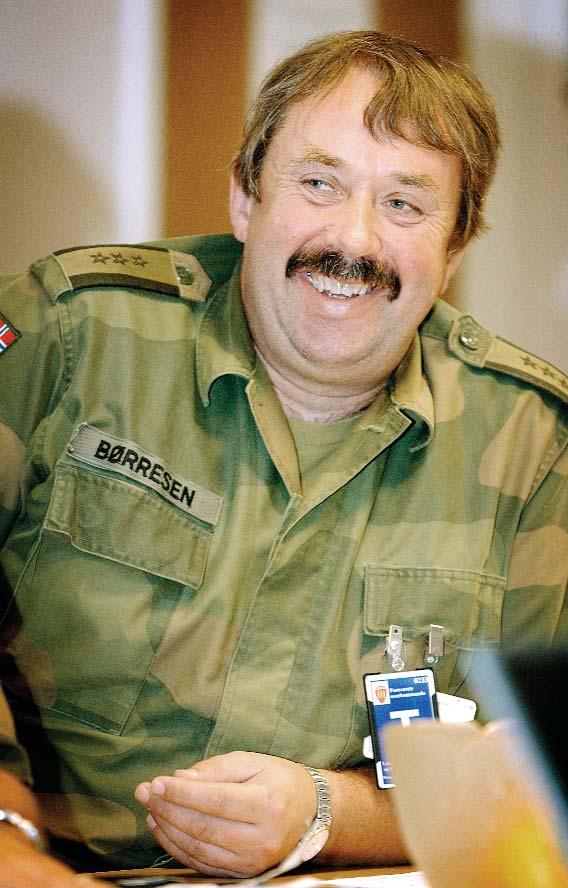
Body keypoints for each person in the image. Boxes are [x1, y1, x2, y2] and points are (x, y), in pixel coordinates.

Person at [0, 28, 566, 888]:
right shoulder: (66, 332)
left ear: (453, 252)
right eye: (319, 184)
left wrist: (325, 815)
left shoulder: (533, 445)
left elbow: (534, 770)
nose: (355, 240)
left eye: (404, 204)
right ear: (244, 197)